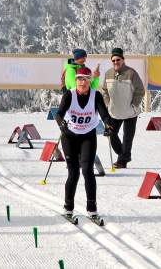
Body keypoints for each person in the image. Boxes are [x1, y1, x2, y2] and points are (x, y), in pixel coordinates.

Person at [55, 67, 112, 221]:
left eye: (86, 79)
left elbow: (104, 114)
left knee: (87, 171)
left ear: (90, 81)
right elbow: (59, 114)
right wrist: (62, 124)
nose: (83, 82)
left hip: (88, 136)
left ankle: (92, 209)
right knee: (73, 173)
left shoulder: (96, 95)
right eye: (80, 79)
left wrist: (108, 125)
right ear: (76, 81)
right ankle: (68, 208)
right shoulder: (69, 95)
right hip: (69, 137)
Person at [102, 48, 145, 168]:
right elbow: (104, 90)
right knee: (111, 134)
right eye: (113, 60)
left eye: (118, 59)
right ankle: (123, 154)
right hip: (115, 111)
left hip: (130, 112)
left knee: (127, 137)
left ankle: (122, 161)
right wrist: (107, 102)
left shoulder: (131, 73)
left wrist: (134, 104)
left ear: (123, 60)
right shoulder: (108, 73)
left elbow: (140, 90)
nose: (116, 62)